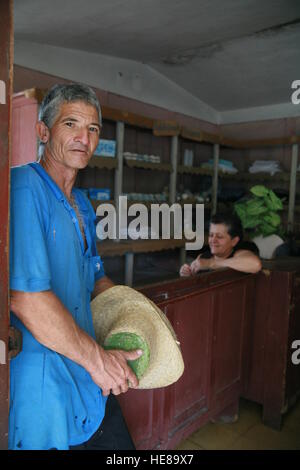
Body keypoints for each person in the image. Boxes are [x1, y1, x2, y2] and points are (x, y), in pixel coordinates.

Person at [9, 83, 142, 450]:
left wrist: (140, 316)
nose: (84, 137)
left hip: (86, 368)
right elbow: (27, 299)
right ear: (43, 131)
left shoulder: (82, 204)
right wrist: (100, 362)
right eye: (71, 124)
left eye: (94, 129)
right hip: (44, 382)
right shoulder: (23, 188)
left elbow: (95, 278)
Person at [180, 213, 262, 276]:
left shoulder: (238, 254)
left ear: (234, 241)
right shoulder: (203, 257)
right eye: (211, 235)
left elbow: (256, 264)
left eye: (219, 236)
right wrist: (188, 274)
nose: (213, 240)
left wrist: (211, 263)